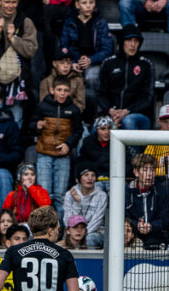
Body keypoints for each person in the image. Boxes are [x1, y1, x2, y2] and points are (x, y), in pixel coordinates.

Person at [0, 0, 39, 130]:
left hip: (16, 82)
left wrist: (14, 39)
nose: (10, 6)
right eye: (7, 2)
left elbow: (31, 50)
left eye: (14, 2)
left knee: (15, 121)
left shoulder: (26, 21)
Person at [32, 79, 82, 211]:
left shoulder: (74, 109)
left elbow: (78, 131)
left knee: (60, 197)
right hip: (44, 155)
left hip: (63, 156)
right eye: (59, 90)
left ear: (70, 92)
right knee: (44, 197)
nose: (62, 93)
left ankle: (60, 224)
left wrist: (68, 144)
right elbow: (29, 127)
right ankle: (45, 223)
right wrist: (37, 125)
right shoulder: (42, 107)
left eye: (66, 90)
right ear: (52, 90)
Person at [98, 25, 156, 131]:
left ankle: (133, 144)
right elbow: (101, 94)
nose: (133, 45)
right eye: (129, 40)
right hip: (111, 113)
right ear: (122, 42)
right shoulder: (108, 63)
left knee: (128, 121)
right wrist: (111, 110)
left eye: (136, 41)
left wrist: (127, 111)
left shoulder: (146, 65)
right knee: (98, 126)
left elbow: (148, 97)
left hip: (138, 115)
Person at [60, 0, 114, 97]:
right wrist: (71, 63)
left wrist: (91, 59)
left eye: (91, 2)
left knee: (91, 76)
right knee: (67, 78)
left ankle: (95, 104)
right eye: (84, 3)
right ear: (77, 4)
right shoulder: (69, 22)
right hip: (75, 61)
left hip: (95, 62)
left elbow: (107, 49)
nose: (88, 6)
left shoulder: (100, 23)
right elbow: (64, 46)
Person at [126, 153, 169, 249]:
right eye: (145, 170)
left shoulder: (162, 190)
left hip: (156, 234)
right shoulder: (127, 191)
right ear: (136, 172)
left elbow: (165, 217)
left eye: (152, 170)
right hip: (133, 234)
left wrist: (151, 225)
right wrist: (136, 225)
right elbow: (125, 217)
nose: (149, 174)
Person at [63, 164, 107, 247]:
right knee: (66, 238)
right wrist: (78, 202)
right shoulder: (70, 194)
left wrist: (82, 234)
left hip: (95, 231)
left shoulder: (101, 195)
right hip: (74, 231)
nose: (90, 178)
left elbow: (97, 221)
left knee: (89, 239)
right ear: (78, 179)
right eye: (86, 175)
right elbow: (68, 220)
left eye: (93, 175)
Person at [39, 46, 88, 119]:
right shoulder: (46, 82)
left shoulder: (78, 80)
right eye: (62, 63)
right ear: (54, 63)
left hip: (72, 116)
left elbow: (80, 104)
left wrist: (66, 112)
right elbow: (43, 105)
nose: (66, 66)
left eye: (69, 63)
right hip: (51, 117)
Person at [76, 116, 114, 192]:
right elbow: (82, 163)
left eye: (109, 128)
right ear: (97, 130)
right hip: (94, 180)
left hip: (114, 180)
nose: (107, 132)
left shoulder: (118, 141)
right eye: (103, 129)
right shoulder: (88, 142)